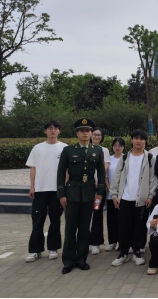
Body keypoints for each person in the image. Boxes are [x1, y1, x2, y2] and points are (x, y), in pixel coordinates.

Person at [57, 118, 106, 275]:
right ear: (77, 133)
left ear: (91, 133)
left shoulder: (97, 150)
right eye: (82, 131)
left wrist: (100, 193)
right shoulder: (68, 150)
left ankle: (82, 259)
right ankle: (68, 260)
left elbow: (101, 173)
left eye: (88, 131)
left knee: (85, 228)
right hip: (72, 193)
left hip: (89, 194)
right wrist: (61, 194)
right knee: (70, 228)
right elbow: (60, 173)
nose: (85, 133)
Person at [109, 129, 158, 267]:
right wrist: (114, 195)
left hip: (141, 199)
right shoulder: (125, 158)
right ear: (131, 140)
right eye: (136, 138)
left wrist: (150, 195)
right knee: (123, 226)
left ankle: (137, 252)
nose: (138, 141)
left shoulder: (150, 158)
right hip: (124, 198)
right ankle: (123, 252)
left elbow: (153, 179)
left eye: (141, 138)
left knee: (140, 227)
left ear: (145, 141)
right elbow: (117, 177)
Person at [25, 120, 68, 263]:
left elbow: (67, 171)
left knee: (55, 220)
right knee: (37, 220)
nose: (53, 130)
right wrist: (32, 186)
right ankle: (35, 250)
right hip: (40, 189)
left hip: (57, 190)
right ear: (45, 131)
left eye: (56, 128)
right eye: (50, 128)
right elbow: (33, 168)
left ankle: (53, 248)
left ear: (59, 131)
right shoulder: (37, 148)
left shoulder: (64, 148)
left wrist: (64, 188)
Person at [89, 127, 111, 255]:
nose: (96, 136)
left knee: (97, 213)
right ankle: (84, 242)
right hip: (85, 188)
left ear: (102, 137)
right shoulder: (84, 149)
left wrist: (98, 181)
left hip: (98, 188)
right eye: (94, 134)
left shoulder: (104, 150)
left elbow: (104, 167)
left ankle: (96, 243)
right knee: (85, 215)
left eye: (98, 135)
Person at [104, 137, 125, 252]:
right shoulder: (109, 160)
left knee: (121, 219)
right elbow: (106, 176)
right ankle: (112, 241)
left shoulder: (126, 159)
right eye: (115, 145)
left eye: (120, 145)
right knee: (111, 219)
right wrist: (111, 190)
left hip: (123, 195)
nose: (117, 148)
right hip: (110, 195)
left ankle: (121, 241)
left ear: (123, 147)